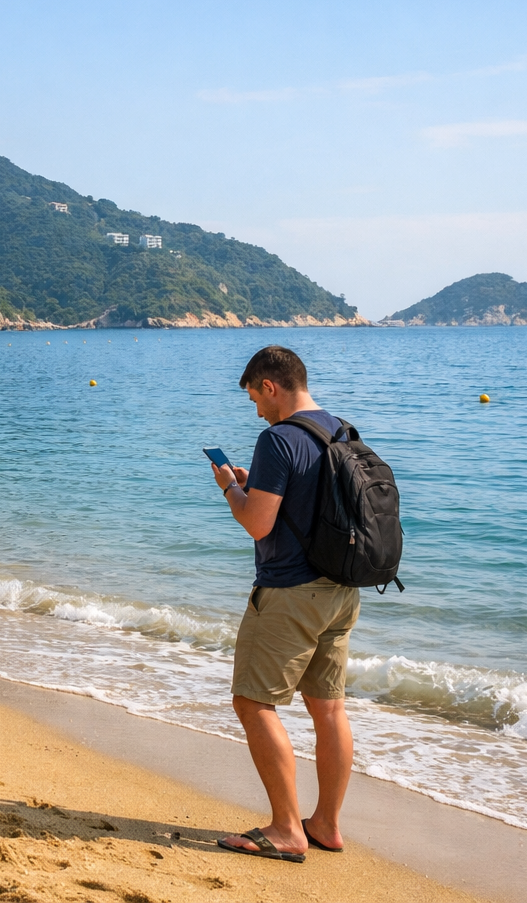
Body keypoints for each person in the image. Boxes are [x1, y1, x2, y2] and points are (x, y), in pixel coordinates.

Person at [211, 346, 358, 864]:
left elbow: (258, 524)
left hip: (290, 593)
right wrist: (258, 489)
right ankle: (327, 825)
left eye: (255, 397)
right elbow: (306, 500)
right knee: (329, 708)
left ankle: (287, 830)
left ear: (270, 386)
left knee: (253, 703)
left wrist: (231, 488)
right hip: (342, 592)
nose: (256, 410)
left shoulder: (277, 438)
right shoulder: (340, 431)